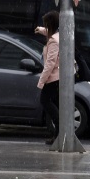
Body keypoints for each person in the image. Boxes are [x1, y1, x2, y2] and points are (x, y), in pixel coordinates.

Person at [36, 10, 62, 145]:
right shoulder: (57, 36)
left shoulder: (53, 41)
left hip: (54, 77)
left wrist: (41, 81)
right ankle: (58, 133)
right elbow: (49, 33)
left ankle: (59, 132)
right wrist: (40, 29)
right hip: (58, 77)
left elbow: (50, 63)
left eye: (46, 25)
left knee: (45, 101)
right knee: (54, 104)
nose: (45, 27)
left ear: (50, 25)